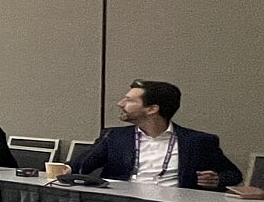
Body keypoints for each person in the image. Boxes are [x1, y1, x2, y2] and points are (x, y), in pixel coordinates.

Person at [75, 80, 242, 190]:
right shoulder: (113, 137)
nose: (121, 104)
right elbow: (82, 165)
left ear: (152, 109)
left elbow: (233, 175)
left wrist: (217, 179)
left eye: (129, 101)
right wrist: (65, 168)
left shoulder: (198, 142)